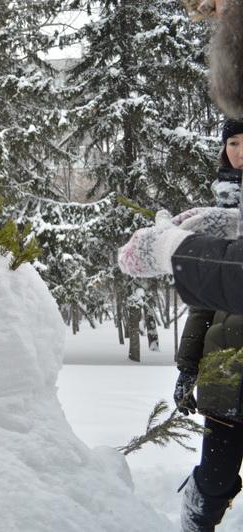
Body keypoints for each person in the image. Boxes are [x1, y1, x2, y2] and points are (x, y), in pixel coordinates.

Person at [169, 121, 243, 530]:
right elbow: (202, 301)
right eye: (233, 142)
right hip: (225, 374)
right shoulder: (218, 213)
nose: (240, 151)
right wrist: (187, 367)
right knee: (215, 478)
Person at [117, 119, 243, 313]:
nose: (241, 153)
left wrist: (169, 247)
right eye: (233, 143)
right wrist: (224, 221)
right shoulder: (223, 189)